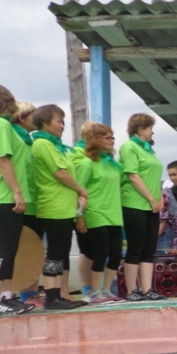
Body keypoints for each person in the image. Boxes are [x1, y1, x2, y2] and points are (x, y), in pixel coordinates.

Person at [0, 84, 34, 316]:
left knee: (10, 248)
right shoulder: (0, 124)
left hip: (2, 192)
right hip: (4, 193)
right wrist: (17, 192)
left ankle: (6, 296)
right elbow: (2, 160)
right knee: (4, 247)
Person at [31, 104, 87, 310]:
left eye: (63, 121)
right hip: (53, 205)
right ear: (45, 123)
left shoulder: (55, 146)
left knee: (61, 252)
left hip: (64, 207)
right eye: (58, 121)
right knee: (55, 252)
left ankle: (57, 294)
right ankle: (51, 296)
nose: (62, 125)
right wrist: (81, 189)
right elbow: (60, 173)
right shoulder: (43, 144)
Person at [74, 122, 125, 303]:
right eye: (107, 137)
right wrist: (78, 216)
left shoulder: (112, 164)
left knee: (116, 254)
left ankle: (106, 290)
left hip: (114, 214)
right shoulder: (87, 163)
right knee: (101, 253)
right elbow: (77, 191)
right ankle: (94, 292)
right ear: (95, 139)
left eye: (112, 137)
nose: (112, 140)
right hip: (95, 212)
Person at [119, 112, 166, 301]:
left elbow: (152, 177)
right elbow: (133, 175)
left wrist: (159, 197)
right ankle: (132, 290)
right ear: (140, 129)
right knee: (135, 248)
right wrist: (151, 199)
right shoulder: (129, 147)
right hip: (135, 204)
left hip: (151, 206)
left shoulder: (148, 150)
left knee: (149, 248)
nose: (152, 132)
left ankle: (147, 288)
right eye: (150, 128)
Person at [9, 101, 42, 306]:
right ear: (21, 117)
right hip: (22, 201)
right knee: (23, 250)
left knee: (35, 249)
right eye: (33, 115)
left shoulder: (31, 141)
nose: (37, 120)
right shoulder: (13, 136)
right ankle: (25, 293)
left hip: (35, 201)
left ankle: (33, 292)